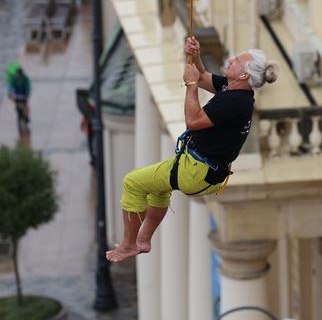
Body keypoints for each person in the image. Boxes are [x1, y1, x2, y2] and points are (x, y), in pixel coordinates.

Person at [106, 37, 278, 263]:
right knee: (157, 189)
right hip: (205, 172)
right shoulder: (236, 90)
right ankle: (143, 240)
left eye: (236, 61)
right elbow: (205, 78)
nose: (230, 60)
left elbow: (193, 121)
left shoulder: (234, 101)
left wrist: (191, 85)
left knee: (133, 182)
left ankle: (128, 245)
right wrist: (196, 56)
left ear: (244, 75)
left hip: (196, 171)